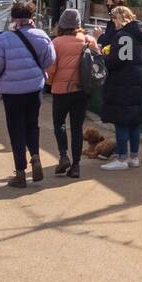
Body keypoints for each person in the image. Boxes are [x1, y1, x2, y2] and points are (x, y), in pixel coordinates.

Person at [0, 1, 56, 188]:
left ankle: (21, 172)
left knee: (16, 129)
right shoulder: (41, 35)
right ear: (31, 17)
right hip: (34, 88)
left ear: (13, 18)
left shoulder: (5, 39)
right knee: (32, 124)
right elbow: (50, 60)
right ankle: (36, 156)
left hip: (12, 91)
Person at [46, 9, 98, 179]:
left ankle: (63, 156)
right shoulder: (88, 40)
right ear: (78, 24)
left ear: (61, 24)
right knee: (77, 127)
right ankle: (76, 166)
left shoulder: (56, 42)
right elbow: (96, 62)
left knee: (59, 124)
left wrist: (50, 83)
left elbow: (51, 69)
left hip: (61, 90)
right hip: (82, 89)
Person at [98, 5, 142, 171]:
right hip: (138, 81)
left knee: (121, 121)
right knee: (134, 121)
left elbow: (116, 61)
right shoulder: (141, 36)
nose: (113, 22)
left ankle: (121, 159)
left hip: (122, 82)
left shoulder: (122, 36)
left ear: (120, 18)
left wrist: (104, 55)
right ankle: (134, 157)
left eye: (114, 18)